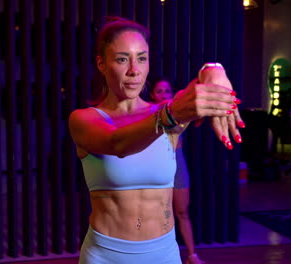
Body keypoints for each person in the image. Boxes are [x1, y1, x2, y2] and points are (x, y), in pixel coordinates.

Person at [68, 17, 244, 263]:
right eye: (121, 59)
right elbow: (117, 143)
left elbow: (201, 84)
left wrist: (215, 70)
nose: (134, 70)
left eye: (142, 58)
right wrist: (171, 114)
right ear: (101, 63)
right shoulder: (85, 119)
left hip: (163, 254)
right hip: (107, 255)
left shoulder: (164, 113)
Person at [149, 77, 204, 264]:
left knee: (181, 211)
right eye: (159, 91)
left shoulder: (180, 113)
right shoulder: (149, 113)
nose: (163, 95)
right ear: (152, 95)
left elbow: (194, 111)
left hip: (177, 164)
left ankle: (191, 255)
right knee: (156, 215)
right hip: (155, 166)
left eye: (167, 91)